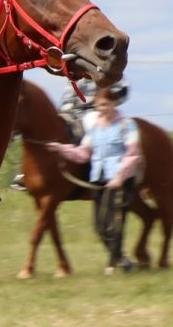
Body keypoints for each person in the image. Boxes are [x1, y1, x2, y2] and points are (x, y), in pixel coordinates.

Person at [47, 85, 141, 273]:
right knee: (99, 226)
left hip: (121, 180)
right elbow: (83, 153)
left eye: (105, 104)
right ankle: (123, 260)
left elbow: (133, 155)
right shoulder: (95, 127)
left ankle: (112, 265)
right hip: (99, 179)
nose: (101, 108)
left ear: (113, 103)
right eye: (99, 104)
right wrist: (61, 149)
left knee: (116, 223)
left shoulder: (126, 125)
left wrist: (120, 177)